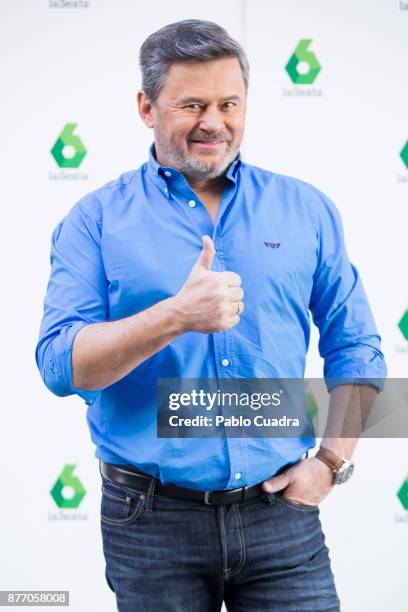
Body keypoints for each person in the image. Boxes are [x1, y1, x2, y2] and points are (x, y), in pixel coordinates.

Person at [35, 19, 386, 612]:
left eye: (229, 103)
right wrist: (173, 316)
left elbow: (358, 348)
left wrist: (330, 463)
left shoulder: (306, 210)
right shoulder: (94, 220)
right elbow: (59, 366)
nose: (214, 122)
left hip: (283, 517)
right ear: (147, 107)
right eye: (191, 104)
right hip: (150, 523)